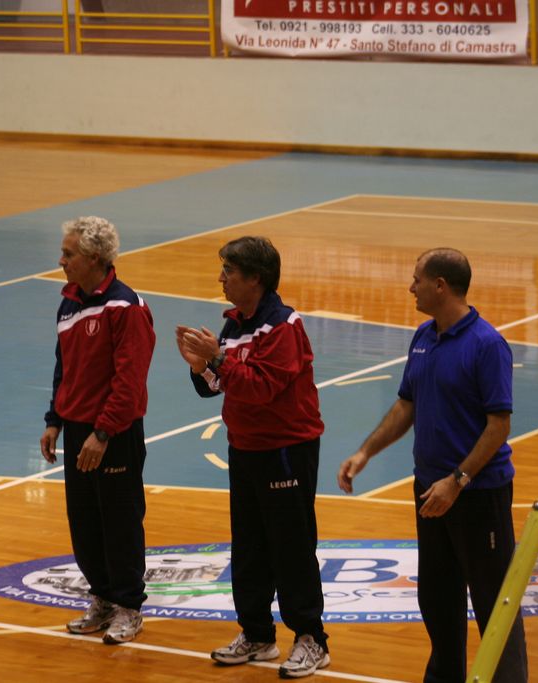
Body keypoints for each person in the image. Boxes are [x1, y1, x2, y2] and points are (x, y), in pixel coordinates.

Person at [337, 248, 528, 683]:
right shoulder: (424, 336)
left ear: (440, 285)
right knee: (438, 600)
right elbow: (407, 404)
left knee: (494, 602)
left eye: (417, 279)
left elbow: (498, 426)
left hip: (477, 495)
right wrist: (366, 452)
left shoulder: (487, 345)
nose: (411, 287)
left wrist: (457, 481)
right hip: (429, 490)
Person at [176, 236, 331, 679]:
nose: (220, 279)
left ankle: (311, 639)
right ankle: (258, 635)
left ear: (255, 278)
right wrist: (200, 366)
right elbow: (220, 386)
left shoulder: (283, 326)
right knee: (248, 546)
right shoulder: (234, 326)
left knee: (291, 546)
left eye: (229, 271)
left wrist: (218, 358)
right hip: (244, 448)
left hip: (285, 450)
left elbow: (262, 388)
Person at [39, 216, 156, 645]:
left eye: (68, 254)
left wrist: (103, 432)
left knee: (120, 521)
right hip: (76, 429)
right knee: (85, 520)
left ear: (93, 258)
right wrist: (54, 419)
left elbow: (130, 380)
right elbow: (64, 367)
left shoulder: (126, 307)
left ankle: (128, 606)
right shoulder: (69, 304)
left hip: (115, 433)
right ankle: (102, 598)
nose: (61, 261)